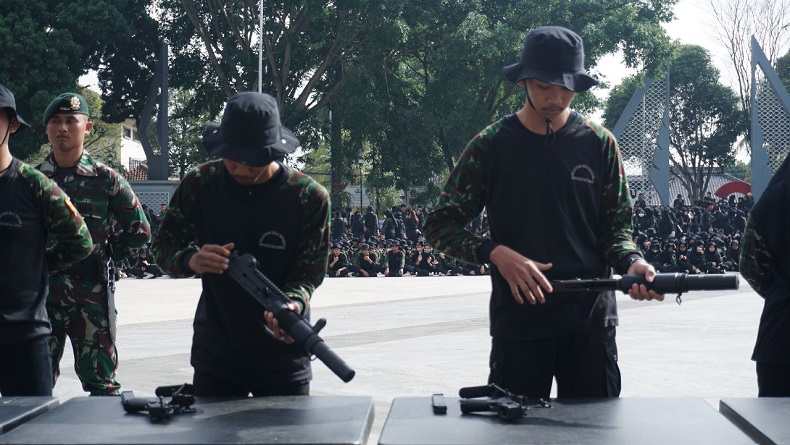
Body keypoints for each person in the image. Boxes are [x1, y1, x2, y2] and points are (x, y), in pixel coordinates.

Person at [423, 26, 662, 400]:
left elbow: (616, 230)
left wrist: (633, 263)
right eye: (544, 86)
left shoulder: (599, 144)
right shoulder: (491, 146)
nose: (555, 97)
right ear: (523, 82)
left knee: (594, 434)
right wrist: (496, 254)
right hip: (520, 323)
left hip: (590, 323)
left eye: (565, 88)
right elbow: (438, 226)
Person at [152, 91, 330, 397]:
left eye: (256, 160)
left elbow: (309, 273)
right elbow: (163, 247)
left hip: (283, 357)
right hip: (217, 355)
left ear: (275, 152)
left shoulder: (308, 197)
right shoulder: (199, 184)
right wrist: (189, 260)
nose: (244, 169)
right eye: (234, 158)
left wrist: (293, 303)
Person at [38, 92, 151, 395]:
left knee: (102, 385)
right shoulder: (33, 180)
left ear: (86, 128)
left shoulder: (106, 179)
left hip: (92, 298)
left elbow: (139, 230)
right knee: (30, 384)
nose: (62, 127)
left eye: (71, 121)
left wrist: (109, 255)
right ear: (47, 127)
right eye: (56, 121)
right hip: (40, 296)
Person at [0, 84, 94, 396]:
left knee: (31, 431)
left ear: (12, 125)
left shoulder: (33, 184)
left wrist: (39, 264)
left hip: (23, 338)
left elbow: (80, 241)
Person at [740, 152, 790, 397]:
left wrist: (779, 292)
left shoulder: (772, 199)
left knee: (776, 432)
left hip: (781, 337)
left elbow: (750, 266)